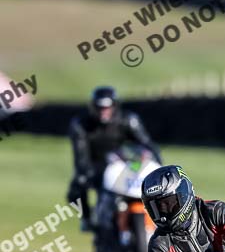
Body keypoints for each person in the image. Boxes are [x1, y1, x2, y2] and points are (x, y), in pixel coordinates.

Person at [67, 86, 161, 230]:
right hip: (96, 165)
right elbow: (81, 158)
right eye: (99, 108)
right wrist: (86, 173)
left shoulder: (129, 120)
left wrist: (157, 164)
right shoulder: (81, 125)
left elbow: (147, 145)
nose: (103, 111)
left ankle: (160, 218)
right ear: (93, 107)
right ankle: (87, 218)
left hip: (124, 163)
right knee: (76, 188)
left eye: (107, 107)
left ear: (115, 106)